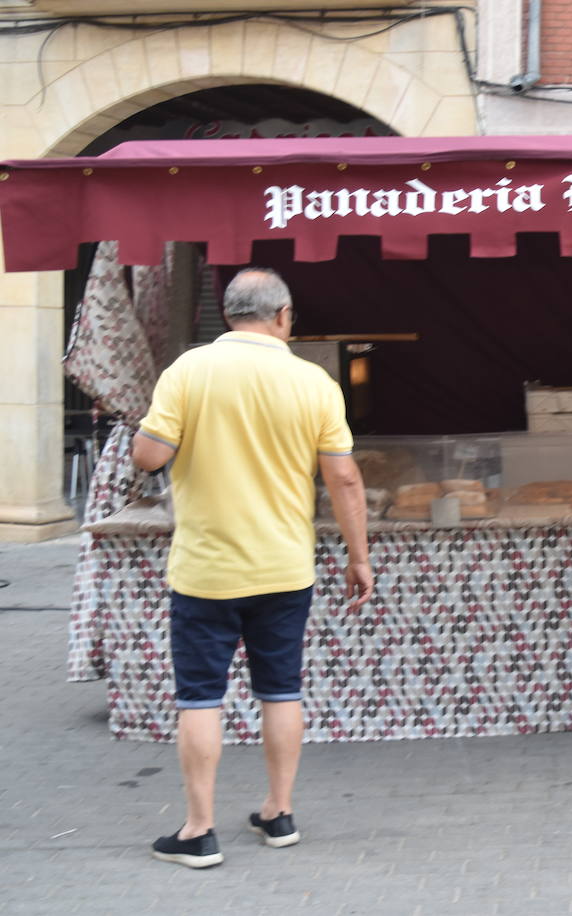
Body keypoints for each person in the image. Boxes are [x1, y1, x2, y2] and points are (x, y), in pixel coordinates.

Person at [132, 267, 374, 868]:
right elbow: (342, 475)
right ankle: (279, 812)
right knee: (281, 690)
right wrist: (359, 556)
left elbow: (148, 456)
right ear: (284, 316)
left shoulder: (188, 370)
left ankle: (198, 830)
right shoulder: (313, 381)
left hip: (206, 569)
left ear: (232, 313)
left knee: (200, 699)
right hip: (285, 568)